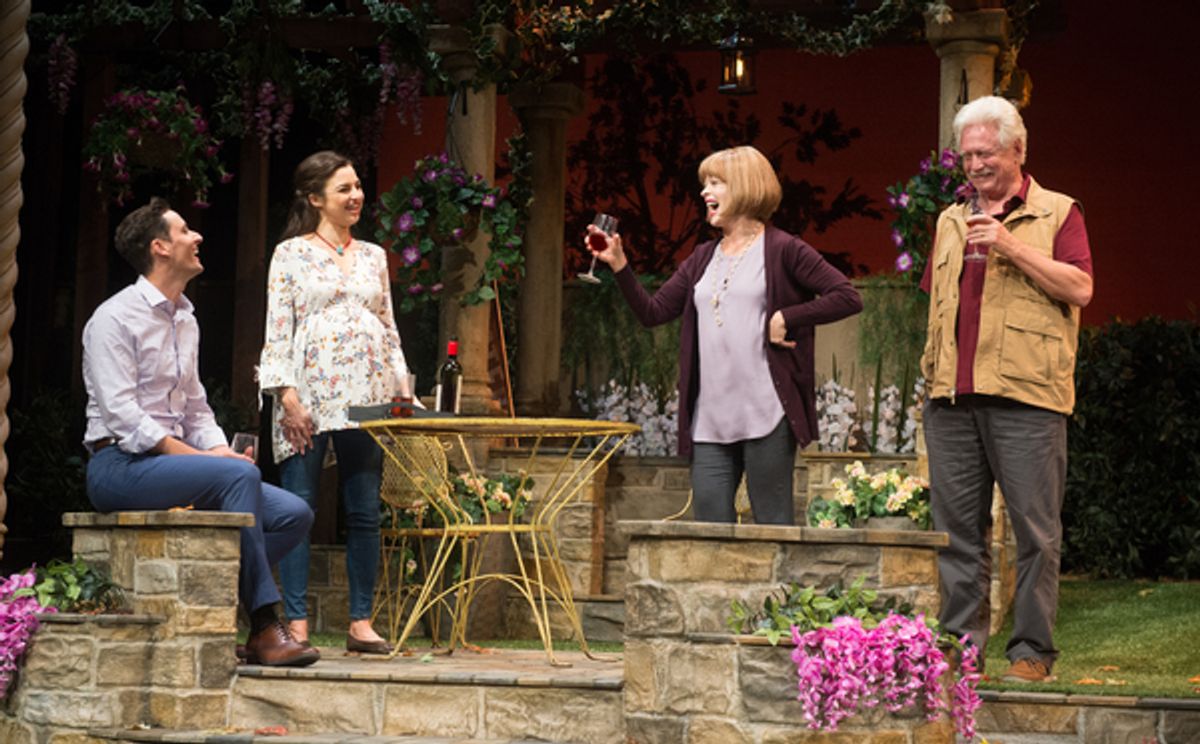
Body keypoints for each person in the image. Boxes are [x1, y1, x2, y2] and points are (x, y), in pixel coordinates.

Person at [83, 197, 318, 667]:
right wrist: (203, 461)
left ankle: (209, 588)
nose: (198, 237)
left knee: (295, 514)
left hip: (173, 463)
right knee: (237, 479)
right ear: (160, 248)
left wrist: (215, 450)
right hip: (118, 466)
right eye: (186, 230)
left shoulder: (185, 318)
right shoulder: (113, 318)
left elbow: (194, 405)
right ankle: (265, 626)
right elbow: (123, 415)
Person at [587, 145, 862, 524]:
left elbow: (847, 297)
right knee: (710, 532)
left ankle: (775, 588)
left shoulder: (783, 249)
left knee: (772, 531)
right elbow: (653, 313)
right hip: (711, 419)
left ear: (746, 187)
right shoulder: (702, 257)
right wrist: (619, 264)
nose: (704, 192)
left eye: (715, 183)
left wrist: (788, 316)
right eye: (705, 183)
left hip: (767, 412)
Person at [920, 96, 1093, 683]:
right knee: (957, 534)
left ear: (1018, 149)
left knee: (1035, 534)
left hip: (1027, 399)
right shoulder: (949, 220)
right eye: (966, 155)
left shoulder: (1058, 213)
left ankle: (1030, 653)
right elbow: (937, 306)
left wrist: (1012, 247)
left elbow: (1080, 289)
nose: (974, 165)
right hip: (951, 401)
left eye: (985, 153)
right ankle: (961, 656)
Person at [258, 151, 410, 654]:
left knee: (364, 508)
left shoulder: (372, 255)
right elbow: (278, 330)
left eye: (359, 186)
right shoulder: (291, 254)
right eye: (344, 188)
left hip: (367, 396)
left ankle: (360, 622)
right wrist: (288, 397)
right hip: (310, 395)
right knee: (300, 506)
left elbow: (387, 325)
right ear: (315, 198)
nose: (356, 196)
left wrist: (402, 385)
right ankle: (297, 623)